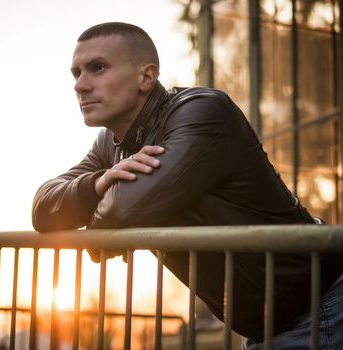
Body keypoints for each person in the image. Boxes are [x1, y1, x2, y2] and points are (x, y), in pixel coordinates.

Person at [32, 22, 343, 348]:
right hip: (266, 327)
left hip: (321, 311)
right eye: (76, 73)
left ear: (146, 77)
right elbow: (43, 209)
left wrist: (96, 232)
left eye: (97, 68)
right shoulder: (109, 145)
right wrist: (98, 182)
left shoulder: (201, 112)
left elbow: (123, 211)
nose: (80, 85)